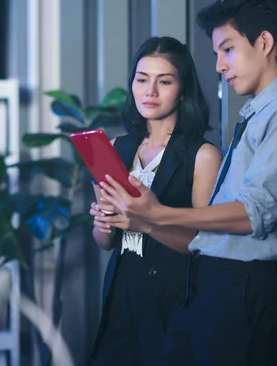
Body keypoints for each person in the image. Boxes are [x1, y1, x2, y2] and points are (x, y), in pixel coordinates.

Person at [99, 0, 277, 365]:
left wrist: (156, 214)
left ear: (264, 43)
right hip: (211, 282)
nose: (218, 65)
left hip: (244, 283)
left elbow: (253, 213)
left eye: (227, 49)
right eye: (217, 53)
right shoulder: (257, 113)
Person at [89, 36, 222, 365]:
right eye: (141, 79)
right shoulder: (116, 147)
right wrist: (104, 223)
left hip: (174, 298)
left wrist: (145, 222)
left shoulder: (203, 155)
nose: (150, 91)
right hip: (121, 292)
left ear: (183, 88)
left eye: (164, 81)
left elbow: (202, 245)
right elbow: (106, 243)